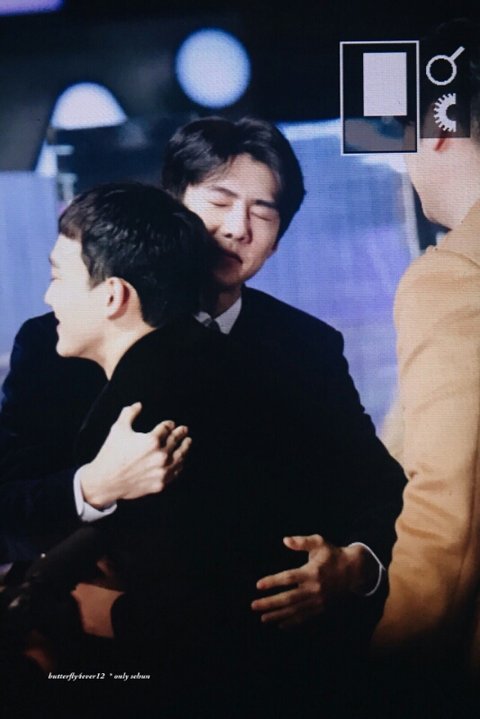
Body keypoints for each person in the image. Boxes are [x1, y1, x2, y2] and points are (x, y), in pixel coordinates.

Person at [0, 117, 404, 628]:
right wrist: (90, 489)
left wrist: (355, 567)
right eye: (219, 201)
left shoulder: (307, 347)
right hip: (86, 641)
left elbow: (376, 491)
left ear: (278, 239)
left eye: (263, 212)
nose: (238, 227)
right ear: (173, 204)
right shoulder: (57, 340)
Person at [371, 17, 480, 692]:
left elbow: (449, 531)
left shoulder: (453, 276)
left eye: (402, 138)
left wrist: (376, 667)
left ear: (439, 129)